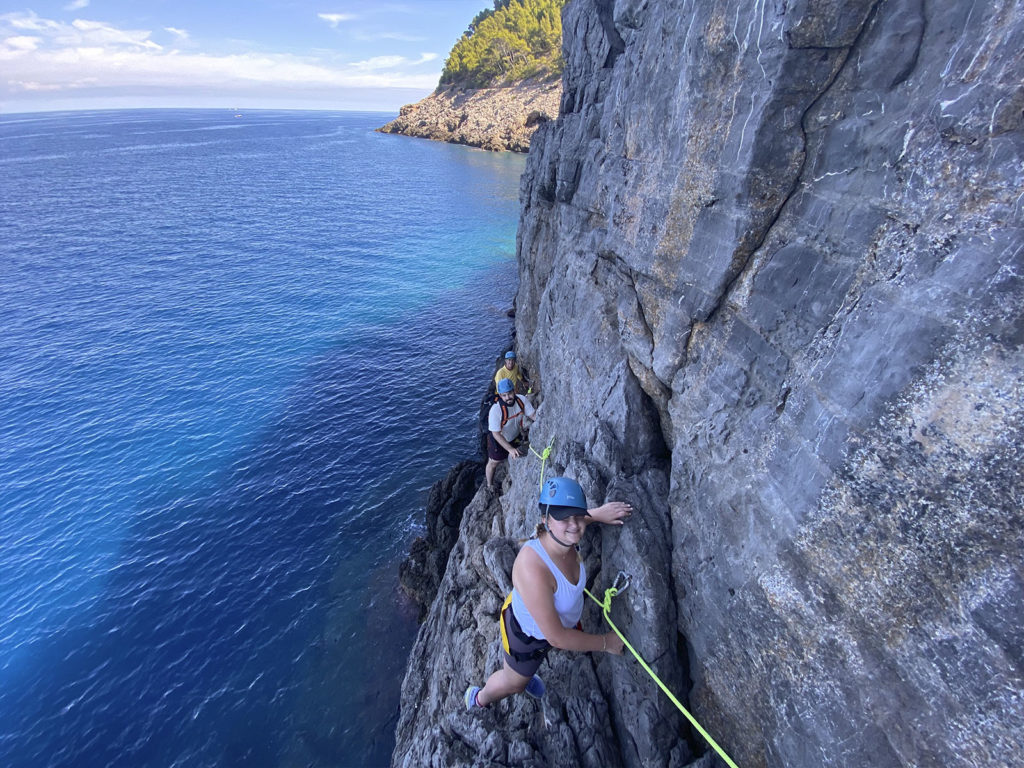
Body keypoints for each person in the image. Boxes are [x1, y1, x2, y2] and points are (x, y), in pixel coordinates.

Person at [464, 476, 632, 710]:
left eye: (578, 515)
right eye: (564, 517)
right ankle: (479, 698)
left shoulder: (561, 535)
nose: (574, 524)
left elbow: (572, 521)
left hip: (549, 622)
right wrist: (606, 643)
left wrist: (598, 514)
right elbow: (557, 637)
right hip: (526, 638)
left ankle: (522, 677)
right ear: (546, 521)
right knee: (514, 683)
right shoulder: (533, 568)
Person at [486, 378, 535, 488]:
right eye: (504, 395)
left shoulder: (521, 400)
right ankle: (489, 485)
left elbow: (533, 415)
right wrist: (510, 449)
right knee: (493, 463)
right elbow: (496, 434)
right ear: (500, 395)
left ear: (514, 391)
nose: (507, 398)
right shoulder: (496, 410)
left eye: (509, 393)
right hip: (498, 440)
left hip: (514, 435)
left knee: (515, 456)